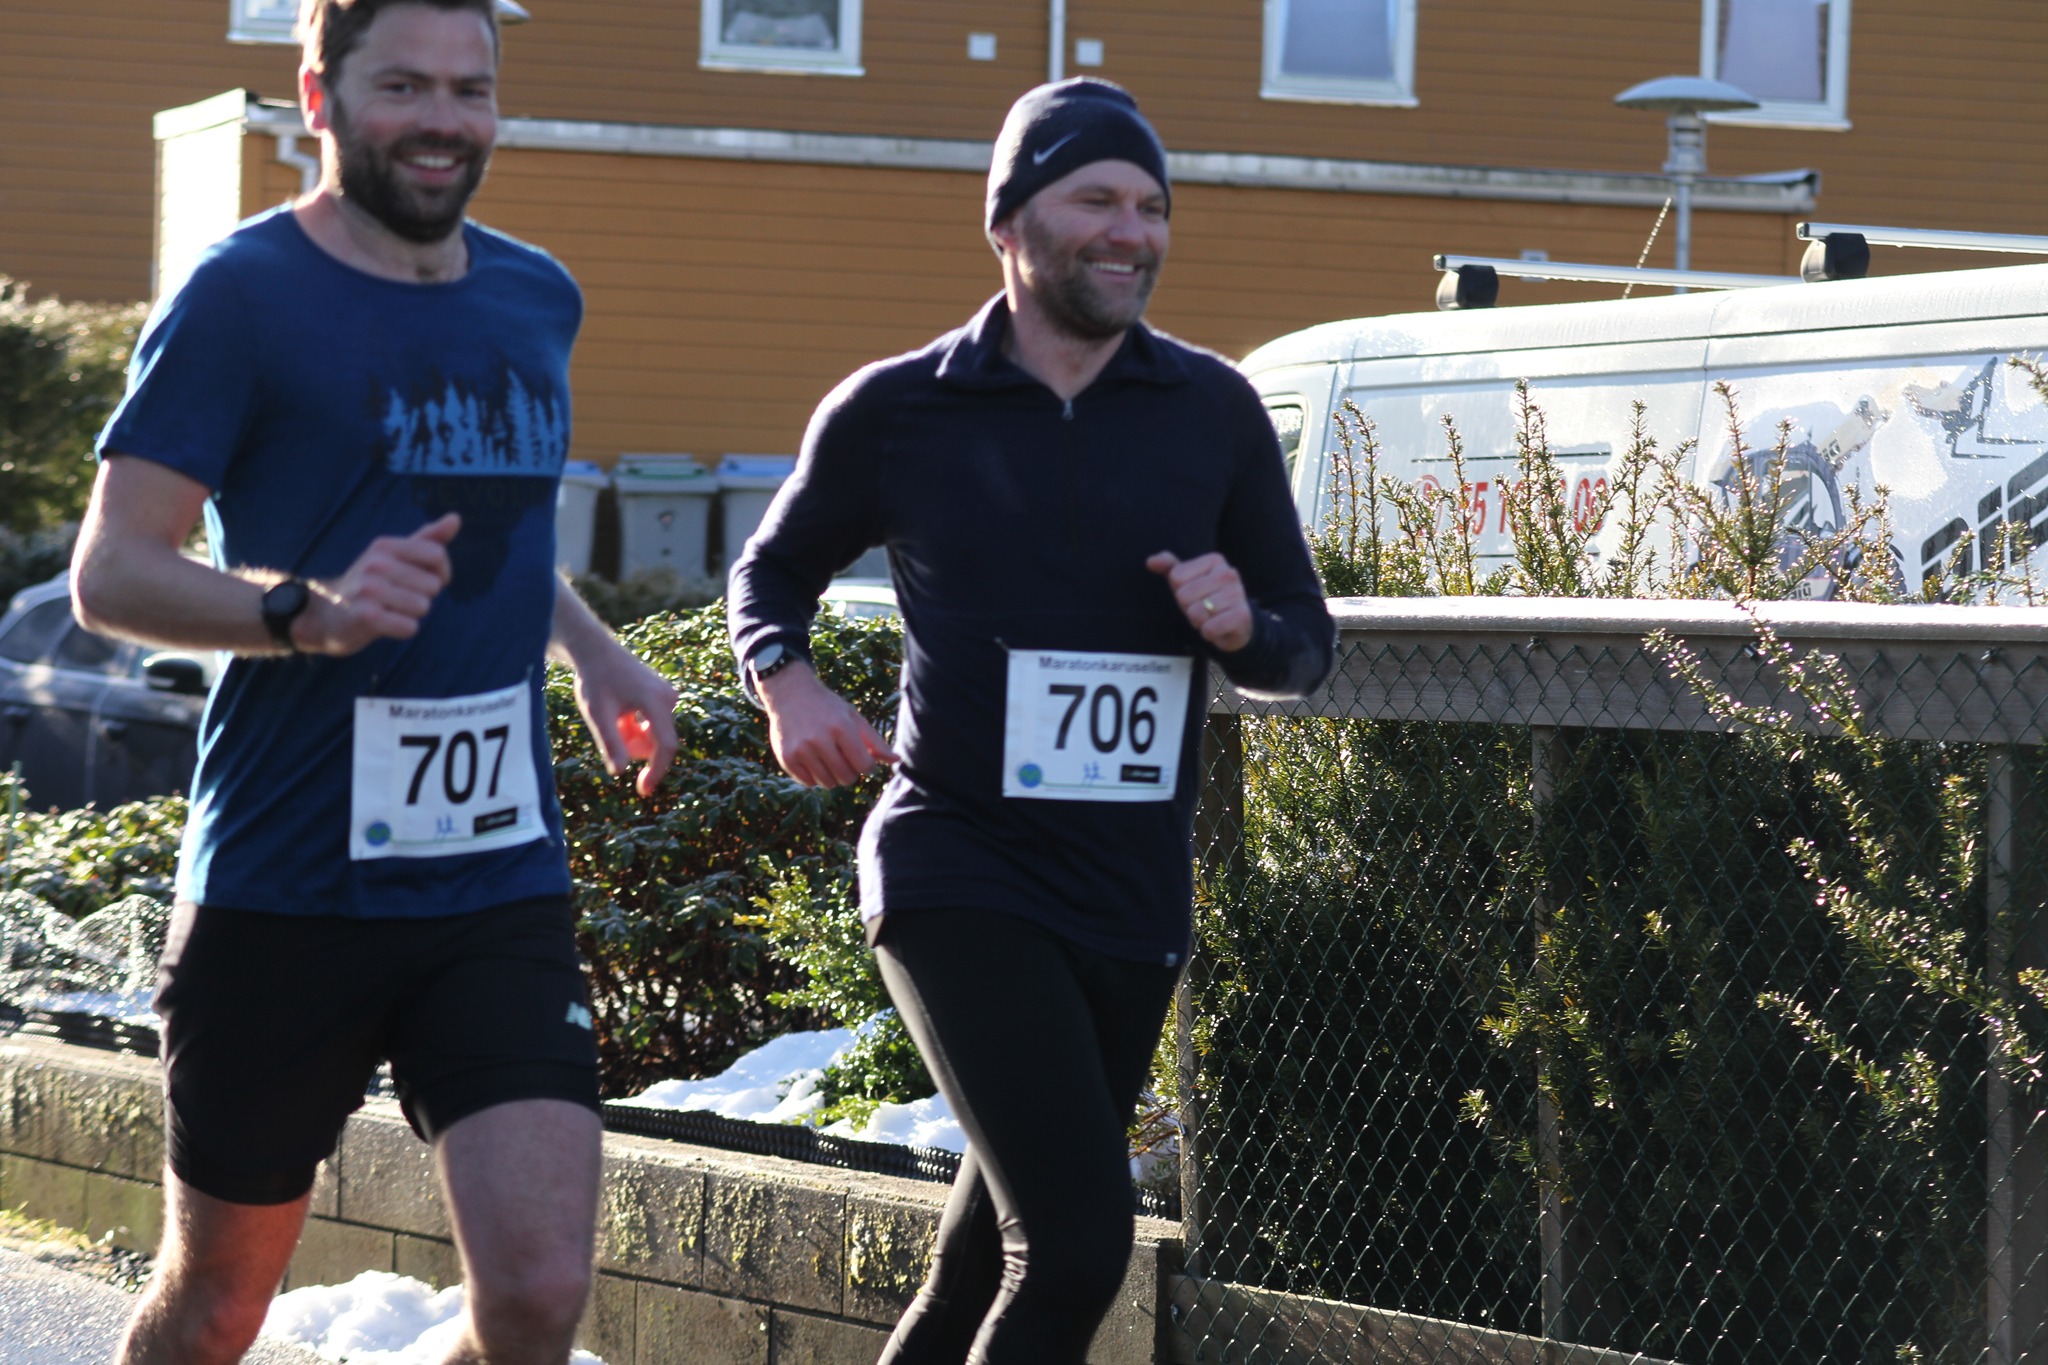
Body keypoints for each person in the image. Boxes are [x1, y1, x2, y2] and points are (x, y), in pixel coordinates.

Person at [69, 2, 679, 1362]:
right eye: (403, 85)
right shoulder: (242, 294)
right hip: (285, 881)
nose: (442, 120)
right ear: (319, 96)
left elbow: (490, 525)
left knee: (536, 1294)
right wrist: (303, 613)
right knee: (217, 1307)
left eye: (470, 88)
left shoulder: (536, 295)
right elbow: (110, 571)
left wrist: (590, 648)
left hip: (493, 878)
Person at [727, 77, 1335, 1364]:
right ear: (1007, 221)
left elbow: (1302, 645)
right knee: (1072, 1249)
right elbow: (769, 574)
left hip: (1127, 895)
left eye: (1151, 207)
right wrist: (787, 681)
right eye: (1095, 199)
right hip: (958, 864)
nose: (1130, 231)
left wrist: (1241, 627)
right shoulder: (898, 409)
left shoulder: (1211, 410)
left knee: (977, 1270)